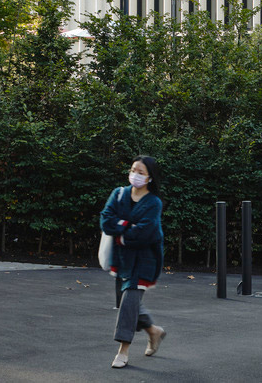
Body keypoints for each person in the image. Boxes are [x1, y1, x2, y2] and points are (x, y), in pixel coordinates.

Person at [101, 156, 166, 369]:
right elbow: (106, 220)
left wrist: (121, 229)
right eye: (133, 170)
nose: (135, 175)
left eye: (141, 172)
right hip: (122, 259)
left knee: (129, 301)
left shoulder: (153, 203)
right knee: (126, 304)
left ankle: (123, 351)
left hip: (145, 260)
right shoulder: (118, 194)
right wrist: (128, 226)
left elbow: (145, 233)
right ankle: (153, 331)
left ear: (149, 178)